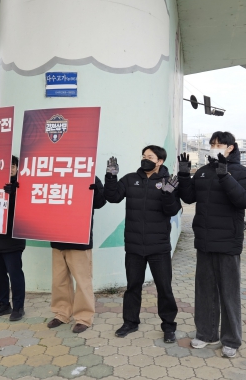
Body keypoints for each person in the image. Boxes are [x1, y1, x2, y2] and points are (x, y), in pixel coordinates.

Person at [177, 131, 246, 359]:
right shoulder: (202, 171)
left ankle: (231, 339)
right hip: (204, 240)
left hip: (229, 242)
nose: (214, 147)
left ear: (231, 147)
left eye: (219, 144)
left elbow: (245, 200)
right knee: (204, 291)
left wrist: (225, 176)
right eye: (212, 144)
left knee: (229, 293)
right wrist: (183, 175)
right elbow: (189, 197)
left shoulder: (240, 172)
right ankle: (206, 333)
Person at [104, 145, 182, 343]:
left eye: (150, 156)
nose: (145, 159)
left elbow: (173, 211)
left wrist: (168, 194)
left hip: (159, 246)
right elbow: (112, 197)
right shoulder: (131, 179)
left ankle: (168, 326)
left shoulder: (169, 181)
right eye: (143, 156)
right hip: (134, 245)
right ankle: (130, 322)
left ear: (160, 161)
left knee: (164, 288)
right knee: (133, 286)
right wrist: (111, 177)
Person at [46, 177, 106, 333]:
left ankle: (83, 317)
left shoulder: (89, 175)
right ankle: (62, 313)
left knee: (82, 281)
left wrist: (97, 190)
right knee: (59, 280)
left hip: (79, 238)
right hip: (57, 237)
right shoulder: (53, 176)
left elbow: (100, 203)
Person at [0, 155, 26, 321]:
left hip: (13, 238)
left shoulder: (23, 185)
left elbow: (27, 208)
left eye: (13, 166)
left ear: (17, 168)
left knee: (15, 274)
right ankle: (2, 305)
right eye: (6, 166)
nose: (10, 169)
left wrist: (15, 193)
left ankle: (18, 307)